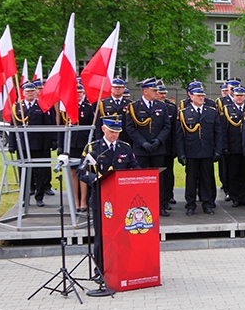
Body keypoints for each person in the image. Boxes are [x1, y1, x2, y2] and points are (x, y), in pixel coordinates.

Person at [77, 115, 140, 275]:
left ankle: (123, 266)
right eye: (112, 131)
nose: (115, 135)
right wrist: (95, 179)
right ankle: (100, 269)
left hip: (121, 199)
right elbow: (81, 171)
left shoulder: (125, 148)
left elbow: (134, 167)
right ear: (104, 129)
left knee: (123, 235)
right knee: (102, 236)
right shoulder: (93, 148)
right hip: (100, 198)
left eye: (117, 132)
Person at [123, 78, 172, 215]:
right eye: (153, 90)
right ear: (145, 91)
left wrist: (158, 140)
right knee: (141, 178)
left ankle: (159, 205)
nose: (156, 93)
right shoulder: (134, 107)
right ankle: (141, 204)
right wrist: (142, 142)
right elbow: (130, 128)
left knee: (158, 178)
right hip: (141, 149)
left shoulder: (162, 106)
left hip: (157, 149)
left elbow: (167, 126)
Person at [175, 86, 221, 215]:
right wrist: (181, 153)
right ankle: (191, 204)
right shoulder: (184, 113)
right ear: (191, 97)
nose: (201, 98)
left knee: (206, 178)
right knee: (191, 179)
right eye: (198, 96)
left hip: (207, 150)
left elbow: (218, 133)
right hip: (191, 151)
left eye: (203, 96)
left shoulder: (211, 112)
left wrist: (218, 150)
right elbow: (179, 136)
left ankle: (207, 203)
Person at [9, 81, 56, 207]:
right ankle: (25, 198)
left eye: (32, 91)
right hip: (22, 145)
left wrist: (49, 143)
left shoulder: (42, 106)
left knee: (39, 172)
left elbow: (48, 126)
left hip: (39, 144)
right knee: (23, 172)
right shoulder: (17, 107)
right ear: (23, 93)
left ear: (36, 93)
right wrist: (11, 144)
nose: (30, 93)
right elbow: (13, 126)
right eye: (27, 91)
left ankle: (39, 197)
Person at [220, 86, 245, 208]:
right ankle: (235, 197)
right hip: (232, 147)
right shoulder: (227, 109)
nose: (239, 98)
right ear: (233, 96)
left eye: (241, 95)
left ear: (244, 97)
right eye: (237, 95)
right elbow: (223, 130)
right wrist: (225, 146)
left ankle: (244, 197)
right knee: (233, 173)